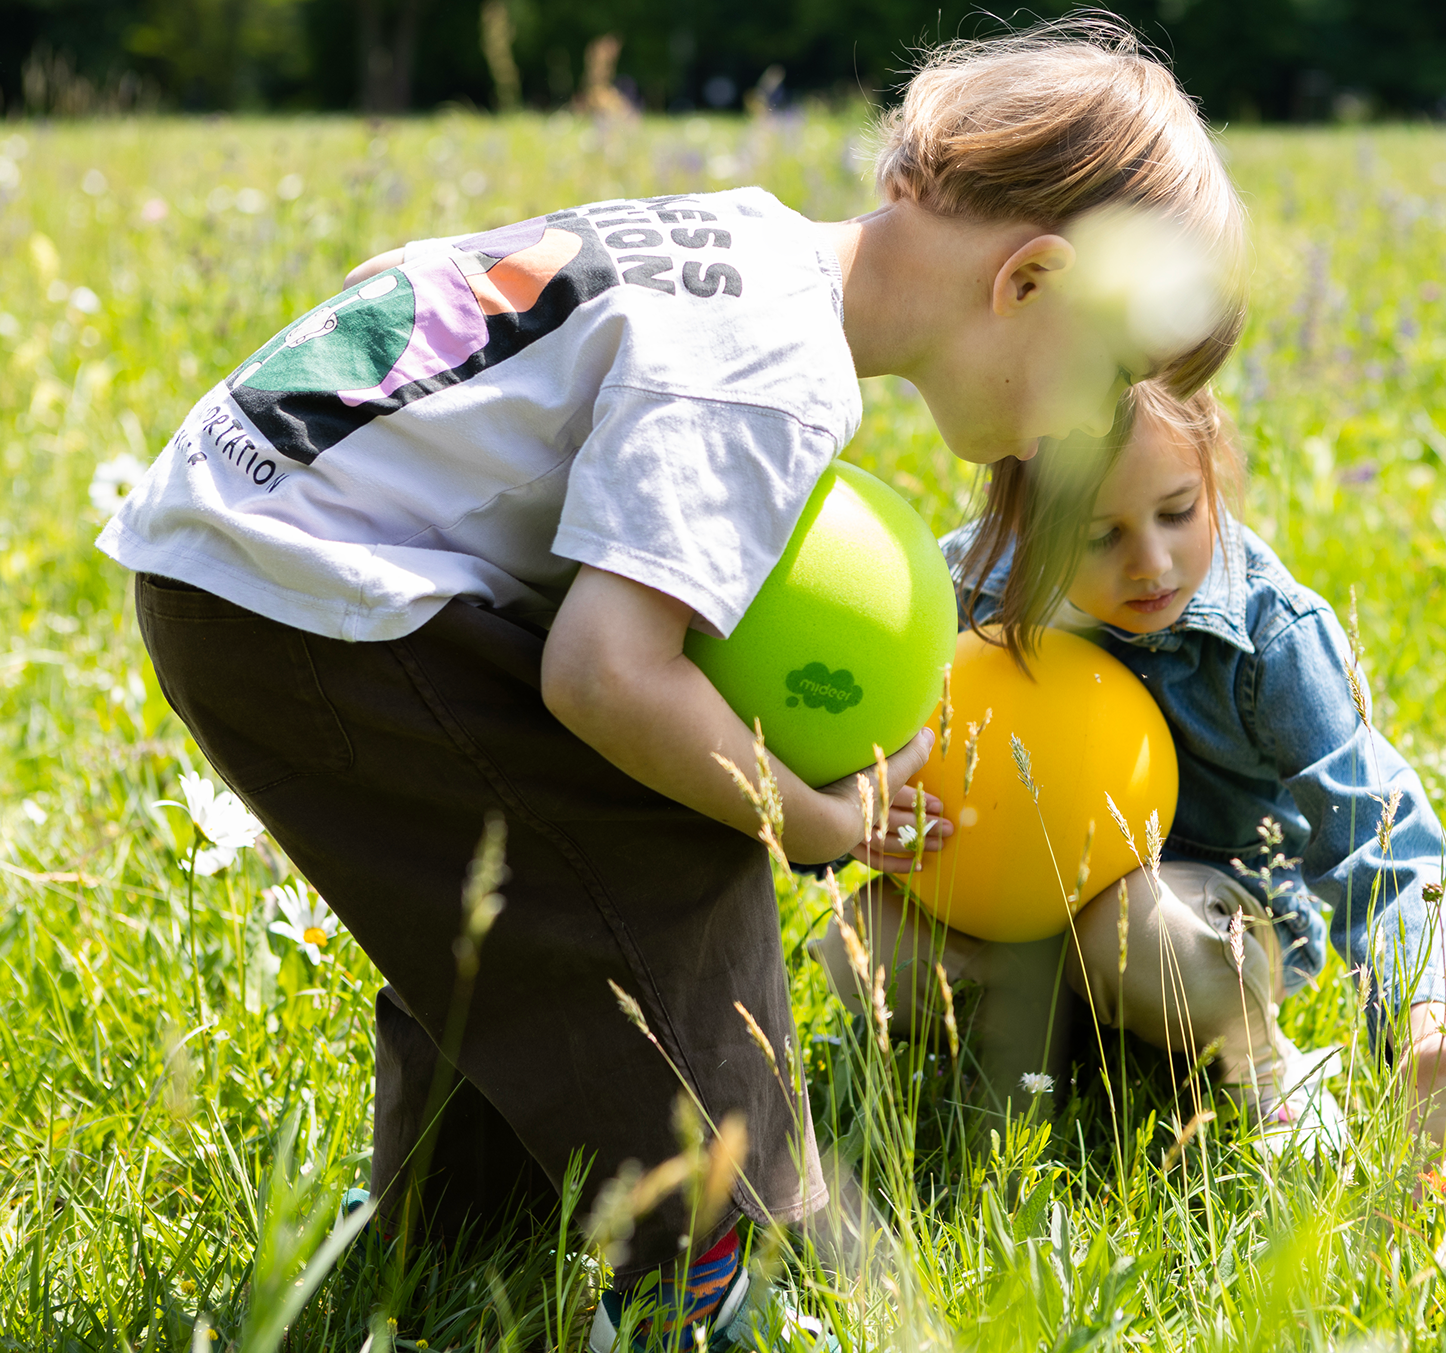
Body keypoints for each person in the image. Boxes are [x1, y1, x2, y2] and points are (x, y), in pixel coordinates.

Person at [96, 20, 1244, 1353]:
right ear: (1030, 282)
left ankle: (447, 1241)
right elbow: (606, 676)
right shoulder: (777, 378)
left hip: (245, 538)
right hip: (306, 594)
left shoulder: (737, 246)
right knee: (658, 852)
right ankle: (699, 1284)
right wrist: (811, 818)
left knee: (517, 879)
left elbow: (417, 280)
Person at [816, 383, 1446, 1176]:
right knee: (860, 946)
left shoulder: (1271, 632)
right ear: (1026, 524)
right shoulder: (966, 590)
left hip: (1197, 922)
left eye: (1179, 510)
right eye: (1098, 534)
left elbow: (1377, 833)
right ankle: (1041, 1053)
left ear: (1215, 474)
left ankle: (1260, 1064)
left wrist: (1422, 1022)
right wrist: (867, 812)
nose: (1150, 562)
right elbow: (856, 745)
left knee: (1144, 929)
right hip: (1015, 917)